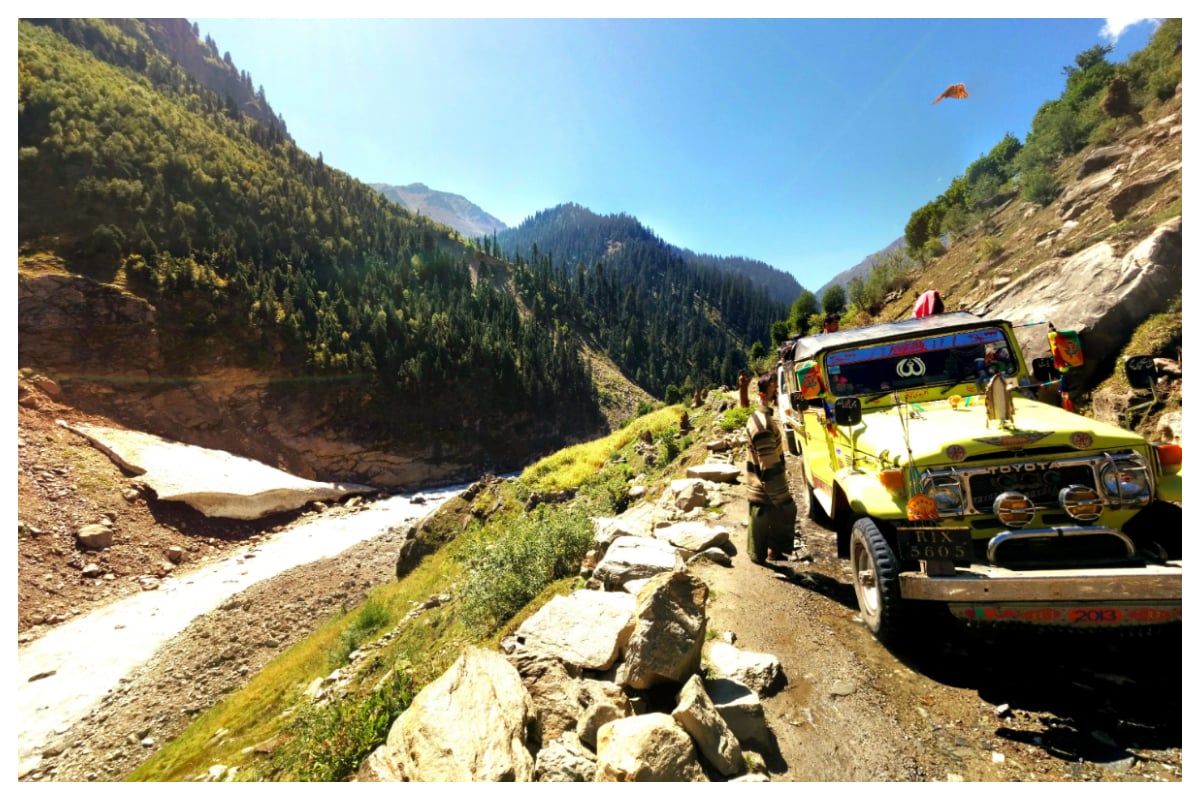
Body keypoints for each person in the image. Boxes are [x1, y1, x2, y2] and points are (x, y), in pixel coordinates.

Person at [745, 371, 797, 564]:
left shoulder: (756, 417)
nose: (777, 396)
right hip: (764, 489)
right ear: (762, 395)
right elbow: (769, 466)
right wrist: (782, 498)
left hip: (756, 487)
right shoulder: (764, 426)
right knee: (786, 511)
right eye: (774, 391)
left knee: (756, 538)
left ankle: (765, 554)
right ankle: (771, 554)